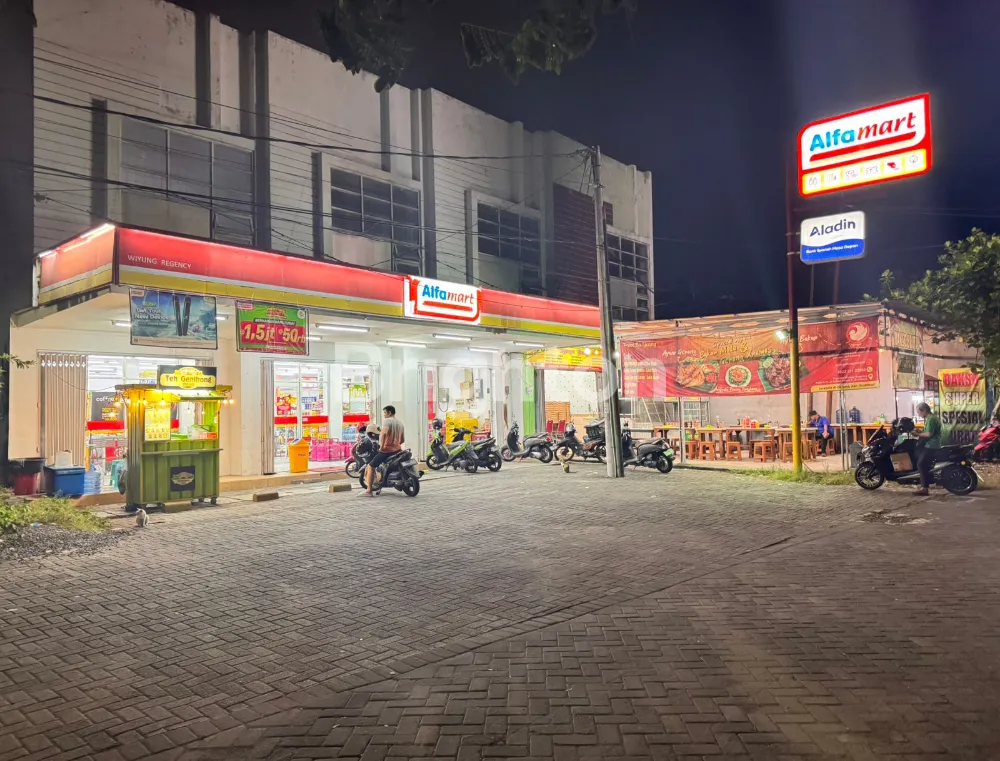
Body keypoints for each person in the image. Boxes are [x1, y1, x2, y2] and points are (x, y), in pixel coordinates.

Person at [360, 405, 404, 497]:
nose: (384, 415)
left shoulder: (387, 421)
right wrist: (396, 444)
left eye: (385, 412)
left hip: (387, 451)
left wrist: (383, 446)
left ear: (389, 412)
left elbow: (383, 434)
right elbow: (402, 440)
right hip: (398, 450)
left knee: (371, 466)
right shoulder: (400, 423)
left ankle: (369, 490)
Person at [915, 402, 942, 496]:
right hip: (932, 444)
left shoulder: (931, 419)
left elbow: (928, 434)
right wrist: (920, 431)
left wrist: (917, 434)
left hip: (931, 445)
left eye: (918, 412)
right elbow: (928, 431)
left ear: (924, 411)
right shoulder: (931, 418)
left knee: (921, 464)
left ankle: (924, 488)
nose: (918, 414)